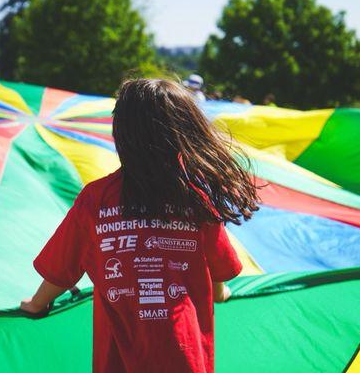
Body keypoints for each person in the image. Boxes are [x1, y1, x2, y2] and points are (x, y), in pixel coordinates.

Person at [21, 79, 260, 372]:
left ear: (121, 134)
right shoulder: (195, 201)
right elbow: (218, 279)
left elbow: (60, 271)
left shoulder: (95, 200)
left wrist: (37, 304)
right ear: (185, 135)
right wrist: (221, 294)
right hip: (186, 362)